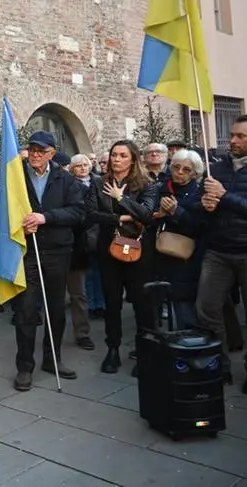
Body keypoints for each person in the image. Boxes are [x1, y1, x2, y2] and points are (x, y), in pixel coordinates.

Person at [12, 132, 85, 391]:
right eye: (31, 150)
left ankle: (52, 359)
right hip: (28, 252)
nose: (35, 154)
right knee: (27, 311)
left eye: (41, 151)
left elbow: (78, 212)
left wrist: (46, 217)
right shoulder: (16, 177)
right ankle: (25, 366)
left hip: (57, 252)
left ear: (52, 153)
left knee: (56, 309)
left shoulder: (65, 179)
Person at [87, 140, 158, 376]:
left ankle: (146, 352)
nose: (116, 159)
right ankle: (113, 349)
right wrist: (121, 219)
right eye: (114, 154)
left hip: (139, 250)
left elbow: (147, 215)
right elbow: (91, 214)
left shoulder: (146, 184)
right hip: (109, 249)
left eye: (122, 155)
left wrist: (120, 198)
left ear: (133, 159)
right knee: (112, 302)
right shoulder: (99, 183)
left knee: (141, 302)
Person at [196, 114, 247, 391]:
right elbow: (203, 210)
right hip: (218, 251)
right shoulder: (217, 169)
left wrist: (225, 196)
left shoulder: (222, 180)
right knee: (206, 309)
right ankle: (219, 366)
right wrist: (206, 205)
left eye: (241, 136)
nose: (233, 140)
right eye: (233, 135)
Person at [153, 150, 204, 330]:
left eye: (186, 169)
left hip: (185, 259)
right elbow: (147, 218)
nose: (180, 172)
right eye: (176, 167)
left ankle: (187, 348)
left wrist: (177, 212)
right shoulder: (159, 188)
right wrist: (157, 215)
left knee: (184, 308)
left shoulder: (199, 193)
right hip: (158, 255)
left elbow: (198, 227)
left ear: (195, 173)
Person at [65, 154, 95, 350]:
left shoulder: (96, 184)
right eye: (79, 165)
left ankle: (82, 332)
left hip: (79, 245)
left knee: (79, 294)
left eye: (86, 165)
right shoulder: (66, 186)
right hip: (62, 244)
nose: (83, 168)